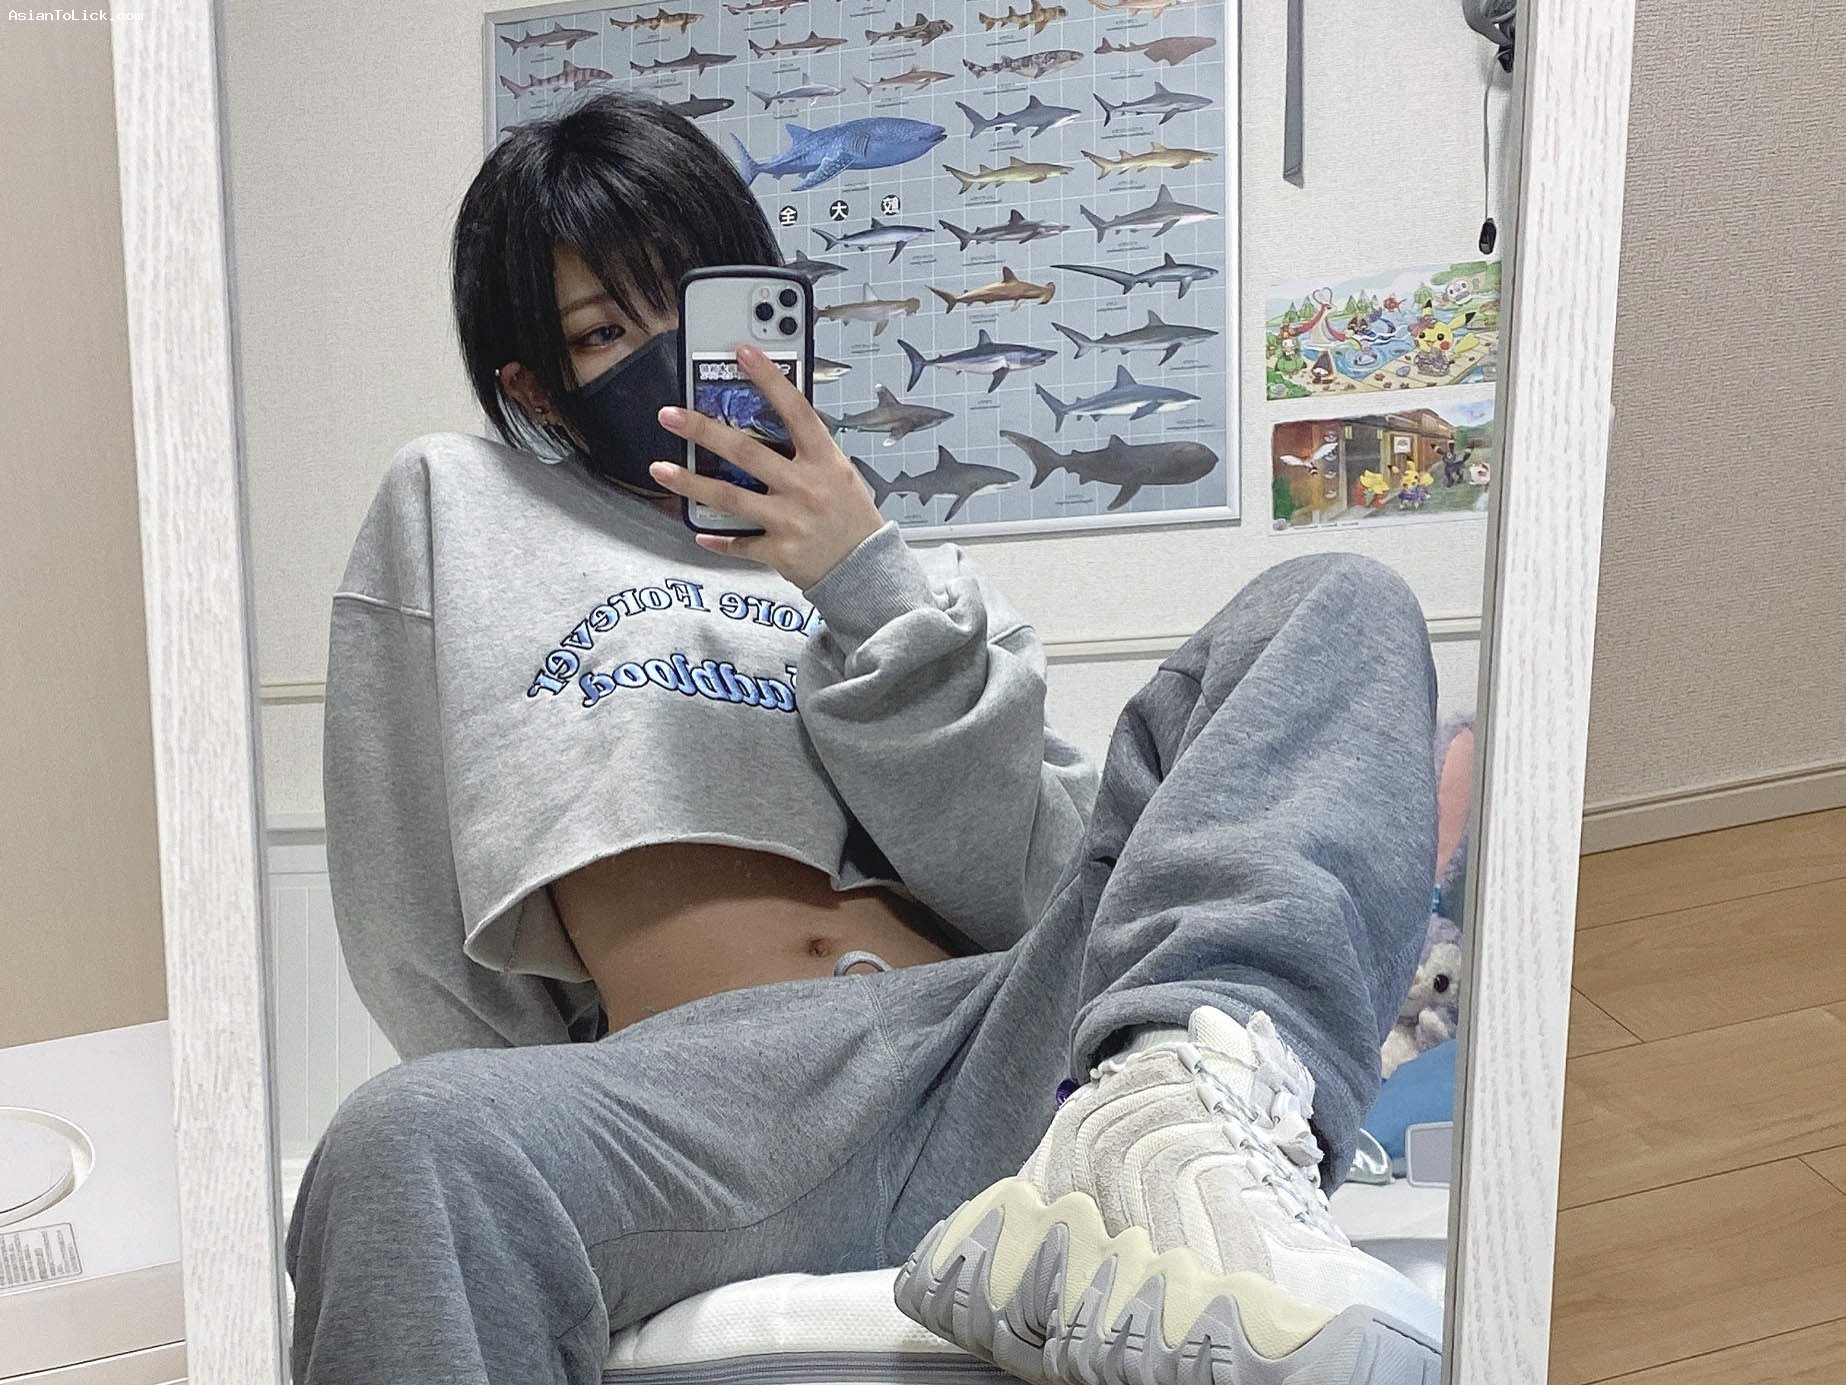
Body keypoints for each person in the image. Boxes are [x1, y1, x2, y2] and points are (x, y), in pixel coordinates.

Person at [284, 91, 1447, 1385]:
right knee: (402, 1139)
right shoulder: (457, 505)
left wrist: (864, 580)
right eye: (604, 329)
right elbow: (405, 910)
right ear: (534, 385)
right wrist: (555, 1111)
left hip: (992, 1048)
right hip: (706, 1108)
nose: (664, 354)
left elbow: (1026, 882)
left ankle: (1161, 1148)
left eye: (693, 305)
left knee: (1336, 602)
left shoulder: (893, 568)